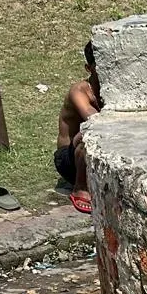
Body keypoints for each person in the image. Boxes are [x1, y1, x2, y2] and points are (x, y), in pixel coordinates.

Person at [54, 41, 101, 214]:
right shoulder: (79, 91)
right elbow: (93, 118)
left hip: (97, 154)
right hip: (69, 160)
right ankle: (80, 188)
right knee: (88, 134)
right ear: (89, 68)